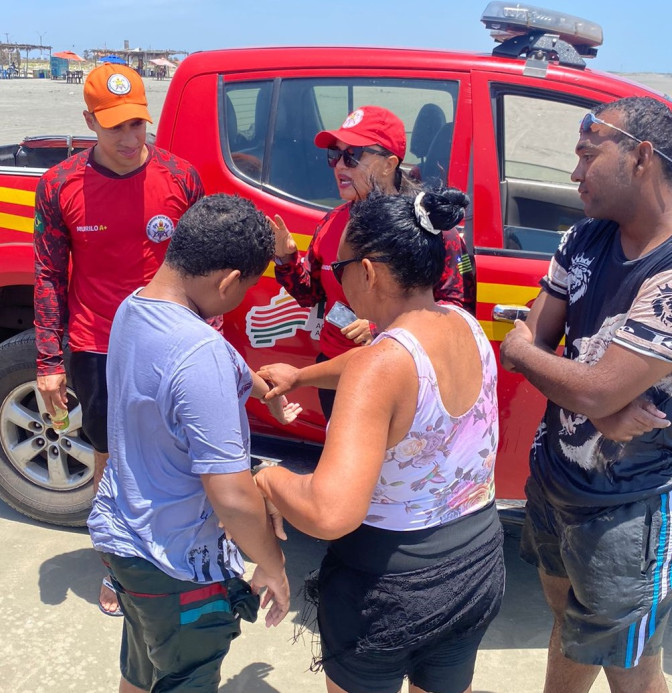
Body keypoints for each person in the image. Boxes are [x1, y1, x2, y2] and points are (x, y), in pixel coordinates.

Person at [255, 189, 505, 693]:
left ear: (367, 272)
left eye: (340, 267)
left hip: (391, 585)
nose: (338, 278)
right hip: (476, 562)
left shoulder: (381, 364)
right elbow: (389, 362)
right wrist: (303, 377)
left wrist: (268, 479)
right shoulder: (464, 324)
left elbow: (330, 512)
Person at [88, 194, 297, 693]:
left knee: (142, 664)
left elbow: (179, 364)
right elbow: (231, 495)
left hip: (126, 540)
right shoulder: (199, 354)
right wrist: (273, 566)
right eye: (243, 288)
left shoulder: (132, 310)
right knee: (186, 676)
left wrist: (246, 377)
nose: (240, 297)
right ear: (227, 280)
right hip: (175, 563)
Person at [500, 96, 672, 693]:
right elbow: (541, 346)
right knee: (567, 625)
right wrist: (592, 393)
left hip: (629, 504)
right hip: (555, 480)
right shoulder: (583, 238)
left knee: (631, 667)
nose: (573, 175)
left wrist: (540, 360)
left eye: (586, 155)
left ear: (641, 157)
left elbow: (539, 351)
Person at [33, 62, 204, 617]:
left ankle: (182, 554)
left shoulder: (181, 178)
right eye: (115, 127)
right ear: (89, 122)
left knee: (180, 457)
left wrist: (210, 334)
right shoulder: (60, 185)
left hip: (172, 345)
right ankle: (118, 565)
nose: (131, 140)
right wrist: (49, 359)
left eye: (138, 124)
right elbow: (49, 276)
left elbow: (200, 263)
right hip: (98, 345)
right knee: (111, 463)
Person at [265, 105, 474, 419]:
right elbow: (312, 295)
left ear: (390, 164)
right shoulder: (332, 222)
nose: (339, 167)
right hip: (336, 377)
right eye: (334, 156)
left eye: (352, 156)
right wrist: (286, 259)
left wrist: (380, 328)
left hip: (402, 377)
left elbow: (456, 311)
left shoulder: (431, 229)